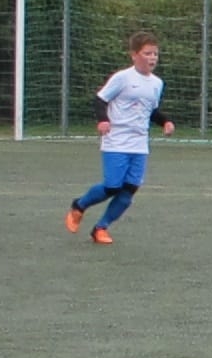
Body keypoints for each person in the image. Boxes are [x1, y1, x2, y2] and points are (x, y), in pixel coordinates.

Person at [64, 31, 175, 245]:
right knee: (112, 186)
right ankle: (79, 205)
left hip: (139, 144)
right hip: (116, 140)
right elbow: (100, 99)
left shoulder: (157, 83)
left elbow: (150, 110)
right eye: (147, 53)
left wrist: (165, 122)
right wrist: (103, 120)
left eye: (155, 54)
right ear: (134, 55)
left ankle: (101, 228)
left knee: (130, 189)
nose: (152, 58)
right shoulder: (122, 78)